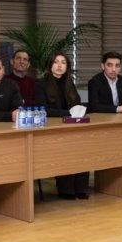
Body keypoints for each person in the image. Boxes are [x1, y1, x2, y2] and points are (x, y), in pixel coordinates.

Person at [35, 52, 90, 200]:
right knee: (66, 150)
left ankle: (80, 188)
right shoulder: (40, 83)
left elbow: (77, 104)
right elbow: (43, 109)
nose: (59, 65)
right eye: (56, 62)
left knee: (82, 148)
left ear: (67, 67)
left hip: (72, 126)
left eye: (63, 62)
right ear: (50, 65)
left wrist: (79, 112)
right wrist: (68, 113)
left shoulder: (69, 83)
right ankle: (66, 189)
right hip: (52, 128)